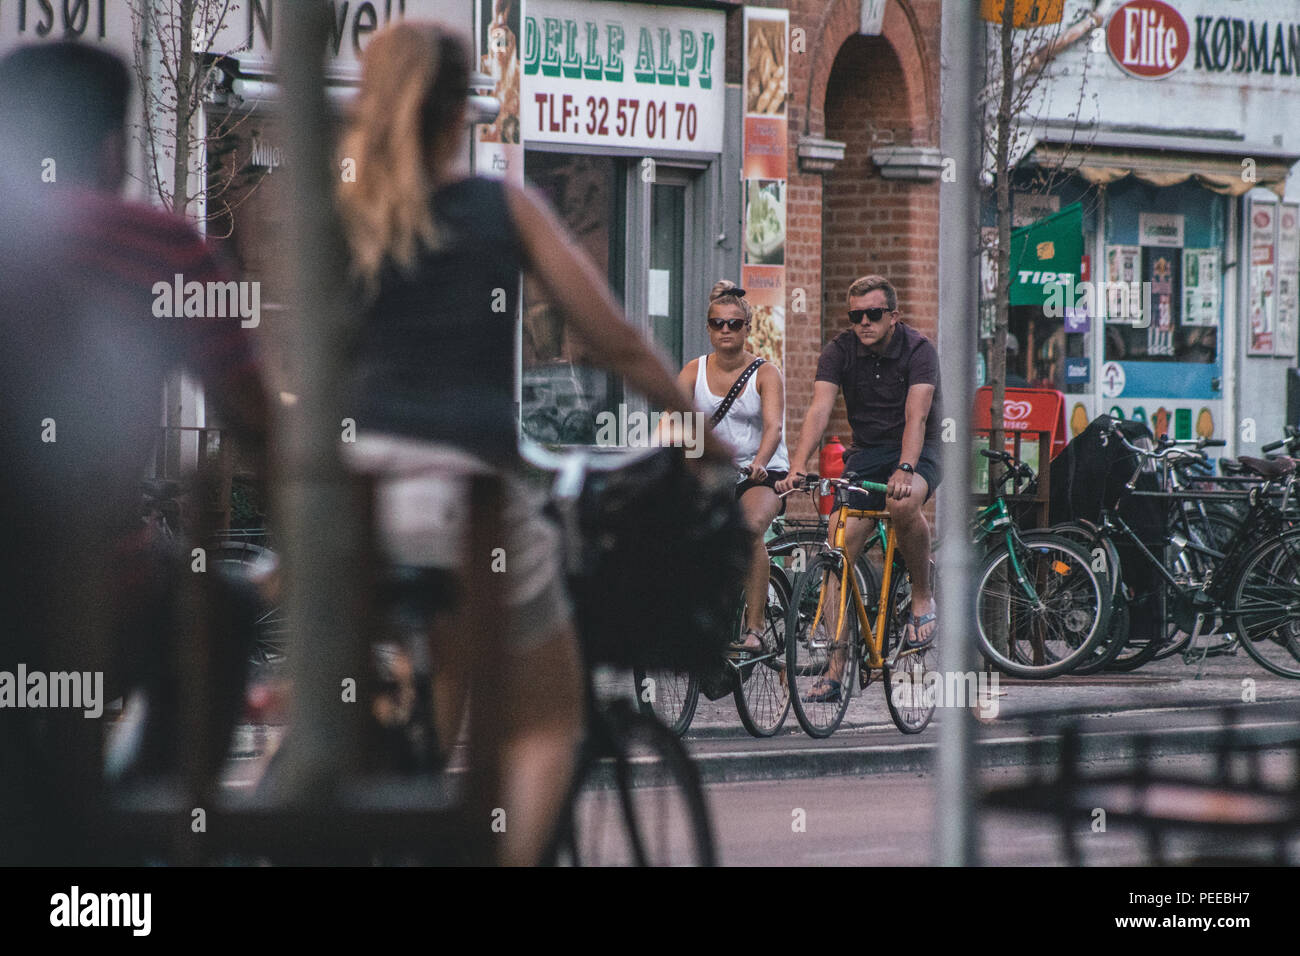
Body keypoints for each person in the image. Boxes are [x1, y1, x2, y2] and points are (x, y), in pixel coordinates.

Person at [335, 22, 721, 865]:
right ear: (458, 115)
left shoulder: (345, 211)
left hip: (356, 496)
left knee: (432, 701)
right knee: (550, 718)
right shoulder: (497, 206)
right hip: (465, 491)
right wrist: (701, 436)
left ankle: (402, 827)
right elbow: (616, 339)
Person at [0, 41, 270, 862]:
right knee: (222, 616)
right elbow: (257, 422)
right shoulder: (160, 244)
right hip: (106, 589)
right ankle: (139, 825)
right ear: (113, 148)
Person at [775, 275, 941, 701]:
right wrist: (797, 465)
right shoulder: (839, 351)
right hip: (867, 452)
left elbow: (916, 416)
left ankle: (922, 599)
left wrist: (906, 468)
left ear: (893, 316)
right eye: (855, 316)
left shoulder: (919, 350)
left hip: (920, 449)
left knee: (902, 504)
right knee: (836, 547)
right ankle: (836, 668)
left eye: (873, 314)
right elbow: (820, 407)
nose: (863, 322)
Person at [676, 281, 788, 653]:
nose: (726, 330)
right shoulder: (694, 370)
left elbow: (773, 426)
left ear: (747, 328)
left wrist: (759, 462)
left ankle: (755, 628)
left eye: (734, 324)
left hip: (761, 473)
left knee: (749, 527)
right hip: (716, 473)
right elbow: (672, 420)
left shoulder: (765, 373)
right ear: (708, 328)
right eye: (718, 323)